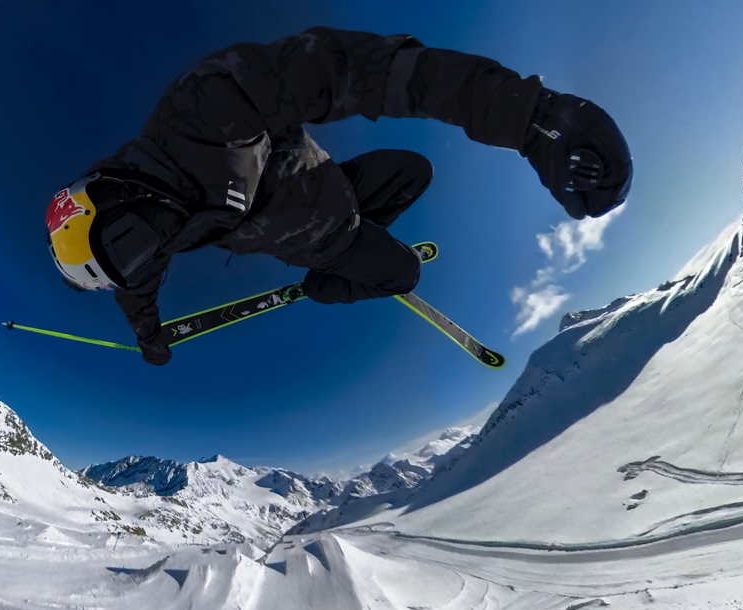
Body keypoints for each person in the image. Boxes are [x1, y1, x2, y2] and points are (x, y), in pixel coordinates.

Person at [46, 27, 632, 365]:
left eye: (127, 241)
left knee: (414, 169)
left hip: (331, 184)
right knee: (404, 273)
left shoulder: (205, 111)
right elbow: (138, 293)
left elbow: (349, 70)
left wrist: (526, 116)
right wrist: (150, 337)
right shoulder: (148, 246)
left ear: (112, 190)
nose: (151, 249)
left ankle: (363, 244)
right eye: (132, 263)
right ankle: (330, 282)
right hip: (320, 241)